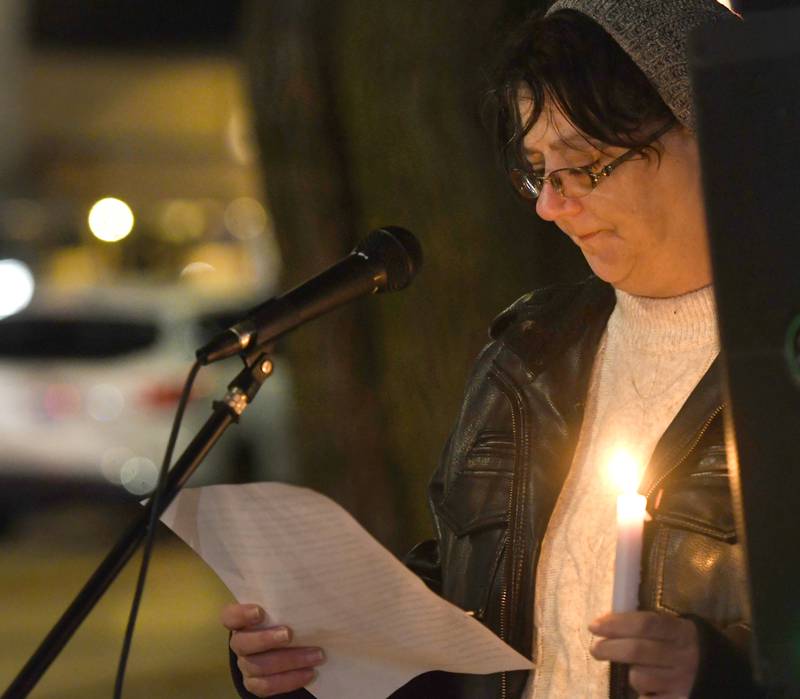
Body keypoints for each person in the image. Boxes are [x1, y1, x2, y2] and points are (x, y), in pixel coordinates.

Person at [221, 1, 763, 697]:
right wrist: (310, 654)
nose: (550, 204)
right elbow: (461, 610)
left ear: (713, 132)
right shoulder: (530, 354)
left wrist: (724, 676)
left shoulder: (781, 360)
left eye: (585, 164)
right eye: (538, 170)